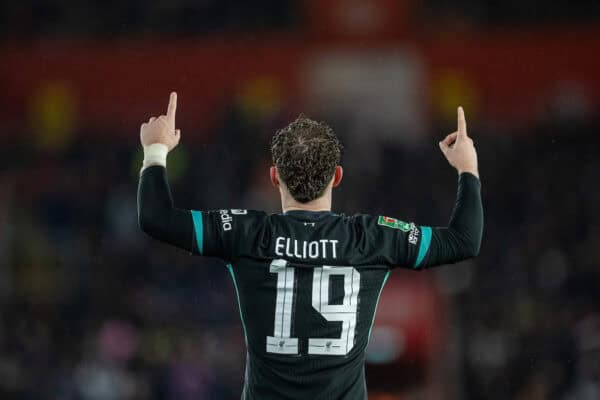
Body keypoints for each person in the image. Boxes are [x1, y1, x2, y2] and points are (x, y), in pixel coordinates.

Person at [137, 92, 483, 399]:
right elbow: (464, 240)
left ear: (275, 177)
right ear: (337, 176)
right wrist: (467, 168)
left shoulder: (246, 233)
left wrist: (156, 150)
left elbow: (157, 218)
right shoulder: (373, 238)